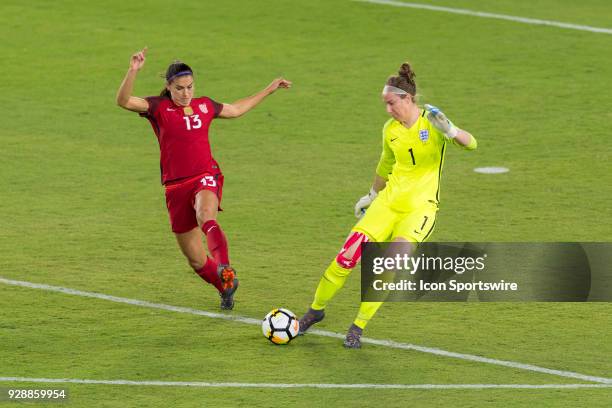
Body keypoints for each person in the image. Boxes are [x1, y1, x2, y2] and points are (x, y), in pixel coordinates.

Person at [298, 62, 477, 348]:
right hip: (387, 204)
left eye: (391, 103)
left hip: (420, 210)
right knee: (347, 256)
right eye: (385, 104)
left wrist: (452, 130)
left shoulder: (433, 122)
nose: (388, 110)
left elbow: (472, 144)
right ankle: (314, 311)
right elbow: (385, 165)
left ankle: (357, 326)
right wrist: (371, 195)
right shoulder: (390, 130)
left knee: (388, 264)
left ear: (407, 99)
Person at [116, 47, 291, 310]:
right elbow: (124, 101)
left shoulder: (205, 105)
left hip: (204, 176)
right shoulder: (158, 107)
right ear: (169, 87)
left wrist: (269, 89)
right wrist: (133, 71)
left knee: (205, 216)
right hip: (175, 187)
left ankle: (224, 265)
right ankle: (225, 284)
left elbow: (235, 109)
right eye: (180, 88)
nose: (186, 93)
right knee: (196, 260)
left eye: (190, 87)